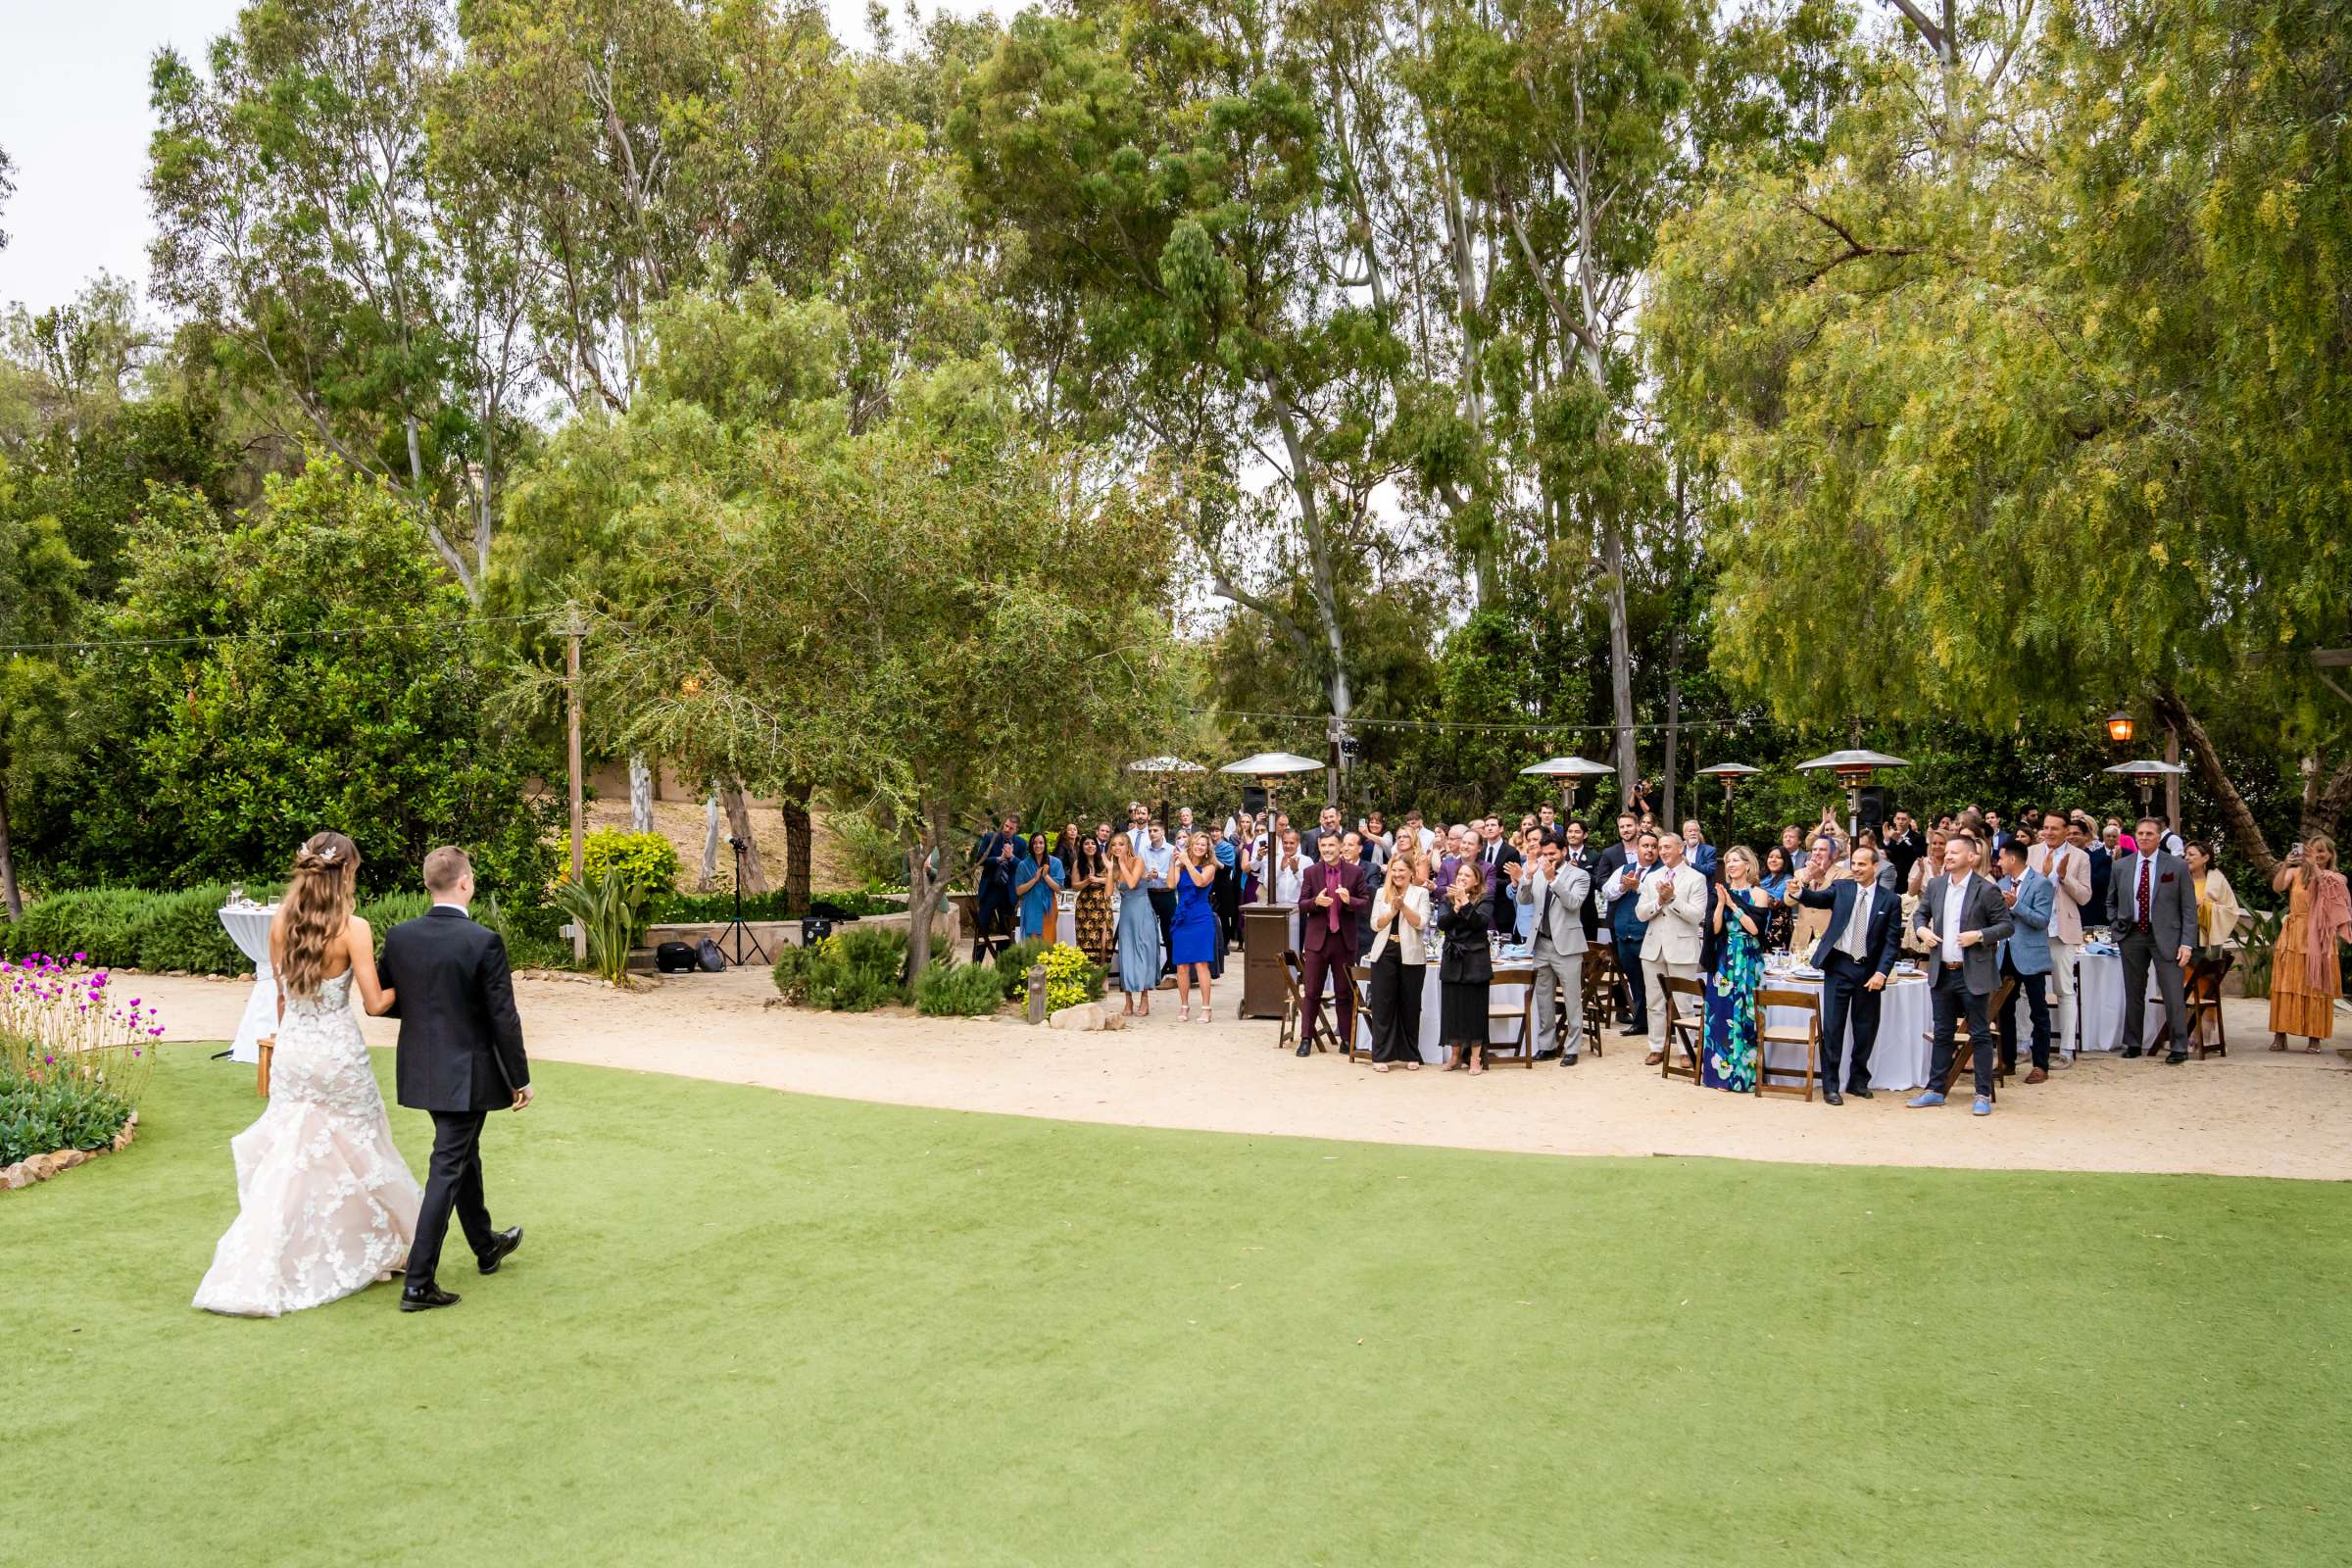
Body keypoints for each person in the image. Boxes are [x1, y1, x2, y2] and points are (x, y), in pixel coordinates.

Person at [195, 832, 419, 1317]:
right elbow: (376, 1003)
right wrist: (414, 983)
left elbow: (281, 997)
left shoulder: (280, 923)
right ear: (347, 873)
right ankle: (375, 1242)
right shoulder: (353, 928)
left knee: (291, 1155)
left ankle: (266, 1256)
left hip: (294, 1050)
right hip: (337, 1054)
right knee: (362, 1146)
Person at [379, 844, 530, 1312]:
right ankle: (418, 1283)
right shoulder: (483, 941)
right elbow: (503, 1017)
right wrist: (519, 1077)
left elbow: (392, 999)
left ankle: (486, 1245)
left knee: (463, 1153)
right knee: (447, 1167)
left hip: (421, 1068)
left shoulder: (400, 936)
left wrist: (430, 1015)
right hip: (466, 1073)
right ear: (465, 882)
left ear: (429, 884)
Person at [1909, 834, 2013, 1114]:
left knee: (1979, 1034)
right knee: (1943, 1032)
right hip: (1941, 971)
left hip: (1973, 972)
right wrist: (1922, 930)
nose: (1949, 856)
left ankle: (1981, 1094)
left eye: (1955, 852)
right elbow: (1920, 914)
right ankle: (1935, 1090)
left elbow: (2006, 926)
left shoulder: (1987, 889)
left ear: (1972, 857)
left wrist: (1978, 935)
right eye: (1947, 852)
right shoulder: (1936, 885)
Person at [1789, 842, 1900, 1102]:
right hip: (1838, 967)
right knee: (1833, 1028)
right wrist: (1798, 891)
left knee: (1865, 1030)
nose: (1857, 868)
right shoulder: (1842, 888)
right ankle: (1830, 1086)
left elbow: (1891, 942)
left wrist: (1882, 973)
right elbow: (1817, 898)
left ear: (1876, 866)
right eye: (1854, 864)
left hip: (1869, 973)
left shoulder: (1890, 900)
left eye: (1863, 864)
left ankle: (1858, 1081)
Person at [2108, 814, 2195, 1063]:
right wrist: (2116, 926)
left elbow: (2189, 907)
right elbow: (2110, 900)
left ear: (2159, 837)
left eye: (2150, 834)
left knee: (2172, 992)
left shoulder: (2176, 866)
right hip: (2132, 934)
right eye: (2141, 833)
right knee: (2133, 991)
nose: (2144, 837)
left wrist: (2187, 943)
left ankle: (2179, 1045)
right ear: (2135, 836)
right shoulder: (2121, 866)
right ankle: (2133, 1042)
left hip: (2167, 936)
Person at [2268, 835, 2350, 1053]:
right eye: (2313, 850)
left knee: (2316, 986)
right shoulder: (2296, 873)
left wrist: (2314, 866)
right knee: (2286, 983)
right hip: (2294, 933)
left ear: (2331, 854)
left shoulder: (2336, 877)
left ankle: (2315, 1038)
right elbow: (2277, 887)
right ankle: (2280, 1034)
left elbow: (2328, 892)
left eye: (2322, 851)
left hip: (2320, 936)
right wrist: (2286, 863)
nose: (2317, 854)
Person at [1636, 832, 1709, 1070]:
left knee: (1684, 1002)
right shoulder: (1651, 877)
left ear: (1681, 848)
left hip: (1682, 947)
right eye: (1660, 847)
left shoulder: (1696, 878)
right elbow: (1641, 912)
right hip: (1653, 948)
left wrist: (1672, 899)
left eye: (1668, 847)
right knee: (1654, 1002)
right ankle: (1656, 1047)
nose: (1663, 851)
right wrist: (1659, 901)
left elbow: (1697, 916)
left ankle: (1687, 1049)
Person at [1515, 837, 1591, 1066]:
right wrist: (1526, 876)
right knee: (1543, 999)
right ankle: (1546, 1045)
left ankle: (1572, 1048)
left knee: (1571, 999)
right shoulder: (1537, 871)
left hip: (1567, 945)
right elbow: (1523, 899)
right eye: (1545, 854)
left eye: (1553, 854)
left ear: (1564, 851)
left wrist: (1554, 880)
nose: (1548, 858)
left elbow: (1574, 903)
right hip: (1541, 943)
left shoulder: (1580, 876)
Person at [1698, 848, 1768, 1093]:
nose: (1730, 865)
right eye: (1727, 861)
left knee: (1746, 1013)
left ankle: (1745, 1076)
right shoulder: (1720, 892)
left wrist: (1733, 905)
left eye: (1735, 860)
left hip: (1748, 958)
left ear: (1748, 865)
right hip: (1724, 958)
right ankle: (1721, 1077)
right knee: (1721, 1014)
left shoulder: (1759, 894)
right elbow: (1715, 929)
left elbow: (1755, 929)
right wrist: (1720, 905)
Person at [1294, 831, 1369, 1057]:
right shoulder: (1311, 872)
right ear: (1319, 845)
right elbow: (1302, 904)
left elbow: (1365, 904)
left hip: (1344, 940)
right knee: (1312, 992)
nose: (1327, 849)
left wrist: (1349, 901)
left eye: (1331, 845)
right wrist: (1315, 902)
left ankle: (1346, 1039)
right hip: (1317, 941)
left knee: (1344, 992)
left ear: (1341, 847)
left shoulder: (1355, 873)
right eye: (1324, 845)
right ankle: (1306, 1038)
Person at [2029, 809, 2093, 1065]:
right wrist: (2043, 876)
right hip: (2033, 930)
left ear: (2067, 830)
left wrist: (2065, 877)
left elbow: (2085, 897)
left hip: (2063, 930)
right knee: (2025, 990)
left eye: (2055, 828)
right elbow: (2021, 889)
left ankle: (2066, 1049)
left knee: (2064, 989)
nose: (2049, 833)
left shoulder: (2080, 857)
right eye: (2046, 827)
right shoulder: (2032, 853)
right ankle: (2025, 1044)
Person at [1994, 841, 2056, 1083]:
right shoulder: (2001, 884)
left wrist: (2016, 905)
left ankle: (2041, 1064)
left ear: (2012, 859)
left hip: (2031, 954)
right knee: (2004, 1010)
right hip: (2005, 954)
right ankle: (2007, 1061)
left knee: (2038, 1010)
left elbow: (2041, 920)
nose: (1998, 863)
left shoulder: (2041, 883)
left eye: (2001, 858)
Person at [1366, 852, 1430, 1072]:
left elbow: (1421, 923)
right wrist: (1393, 910)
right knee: (1383, 1005)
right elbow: (1375, 924)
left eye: (1402, 870)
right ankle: (1381, 1055)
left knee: (1411, 1005)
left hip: (1412, 954)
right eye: (1394, 870)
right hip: (1385, 951)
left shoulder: (1420, 893)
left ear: (1411, 872)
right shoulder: (1381, 893)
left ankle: (1410, 1053)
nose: (1398, 874)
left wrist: (1403, 907)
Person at [1434, 860, 1494, 1073]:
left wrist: (1466, 904)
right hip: (1452, 958)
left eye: (1467, 876)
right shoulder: (1445, 898)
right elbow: (1442, 924)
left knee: (1475, 1010)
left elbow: (1480, 923)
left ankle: (1476, 1058)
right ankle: (1454, 1056)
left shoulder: (1485, 898)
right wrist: (1456, 907)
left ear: (1476, 880)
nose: (1461, 878)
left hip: (1475, 960)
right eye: (1459, 875)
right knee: (1452, 1009)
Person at [1601, 828, 1658, 1039]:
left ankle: (1657, 1023)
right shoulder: (1625, 868)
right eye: (1646, 846)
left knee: (1652, 981)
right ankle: (1640, 1021)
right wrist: (1623, 887)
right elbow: (1607, 891)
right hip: (1625, 934)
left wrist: (1639, 886)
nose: (1650, 850)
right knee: (1634, 979)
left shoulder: (1662, 871)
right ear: (1638, 849)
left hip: (1649, 935)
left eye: (1654, 847)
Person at [1167, 832, 1220, 1022]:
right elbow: (1171, 885)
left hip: (1201, 917)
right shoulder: (1181, 866)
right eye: (1196, 843)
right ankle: (1184, 1006)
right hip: (1182, 917)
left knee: (1201, 963)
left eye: (1203, 845)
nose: (1199, 847)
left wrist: (1187, 863)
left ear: (1207, 849)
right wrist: (1173, 862)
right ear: (1190, 845)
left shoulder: (1210, 867)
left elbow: (1199, 881)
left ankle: (1206, 1008)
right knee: (1181, 965)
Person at [1111, 835, 1162, 1017]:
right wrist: (1111, 869)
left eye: (1121, 844)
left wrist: (1121, 863)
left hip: (1142, 911)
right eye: (1114, 845)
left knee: (1143, 952)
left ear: (1128, 846)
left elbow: (1132, 883)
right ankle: (1128, 1000)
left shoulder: (1138, 861)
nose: (1117, 847)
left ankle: (1144, 999)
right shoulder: (1115, 867)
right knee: (1127, 954)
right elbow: (1108, 892)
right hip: (1126, 914)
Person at [972, 813, 1023, 960]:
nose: (1007, 829)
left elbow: (1023, 866)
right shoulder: (990, 838)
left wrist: (1011, 857)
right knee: (982, 927)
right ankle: (976, 965)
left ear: (1016, 829)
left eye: (1011, 828)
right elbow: (980, 860)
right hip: (990, 890)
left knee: (1005, 930)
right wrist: (998, 859)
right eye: (1005, 826)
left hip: (1008, 893)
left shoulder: (1021, 844)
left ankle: (1001, 965)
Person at [2184, 840, 2240, 953]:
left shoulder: (2218, 880)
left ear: (2205, 858)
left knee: (2203, 969)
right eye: (2185, 854)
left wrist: (2203, 905)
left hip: (2205, 938)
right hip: (2179, 936)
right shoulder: (2179, 877)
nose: (2186, 857)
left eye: (2191, 854)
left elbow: (2231, 910)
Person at [1069, 833, 1114, 965]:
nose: (1090, 846)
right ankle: (1090, 977)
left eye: (1093, 843)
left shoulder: (1104, 861)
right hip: (1085, 906)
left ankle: (1103, 976)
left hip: (1103, 903)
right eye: (1086, 844)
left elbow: (1113, 881)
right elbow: (1074, 886)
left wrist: (1098, 879)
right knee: (1088, 941)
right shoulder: (1078, 863)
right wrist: (1087, 881)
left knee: (1105, 940)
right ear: (1082, 847)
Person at [1014, 832, 1062, 943]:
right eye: (1034, 843)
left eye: (1041, 842)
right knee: (1033, 942)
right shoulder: (1023, 865)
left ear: (1045, 845)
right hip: (1031, 905)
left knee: (1048, 941)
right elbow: (1018, 891)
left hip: (1048, 908)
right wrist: (1035, 879)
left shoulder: (1055, 863)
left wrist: (1045, 876)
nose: (1038, 845)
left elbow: (1058, 889)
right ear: (1031, 845)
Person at [1758, 845, 1794, 953]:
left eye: (1778, 857)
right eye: (1771, 857)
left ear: (1785, 861)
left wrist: (1756, 891)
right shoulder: (1762, 877)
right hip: (1760, 924)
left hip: (1776, 930)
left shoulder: (1788, 879)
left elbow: (1774, 903)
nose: (1773, 860)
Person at [1883, 809, 1926, 893]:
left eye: (1903, 819)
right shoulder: (1890, 836)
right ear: (1894, 820)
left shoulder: (1918, 838)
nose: (1900, 822)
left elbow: (1916, 856)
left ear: (1909, 821)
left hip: (1907, 881)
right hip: (1889, 880)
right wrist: (1886, 840)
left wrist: (1900, 840)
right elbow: (1885, 856)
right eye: (1898, 819)